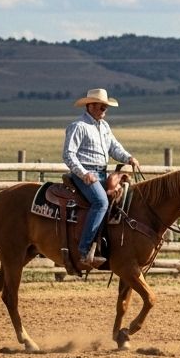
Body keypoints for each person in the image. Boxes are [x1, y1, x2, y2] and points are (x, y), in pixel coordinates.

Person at [62, 88, 140, 269]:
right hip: (86, 174)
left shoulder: (104, 127)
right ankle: (84, 250)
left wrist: (128, 158)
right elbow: (68, 155)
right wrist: (83, 174)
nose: (104, 110)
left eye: (106, 107)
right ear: (90, 106)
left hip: (102, 173)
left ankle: (110, 246)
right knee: (101, 203)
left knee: (124, 198)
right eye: (101, 107)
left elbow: (114, 148)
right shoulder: (78, 126)